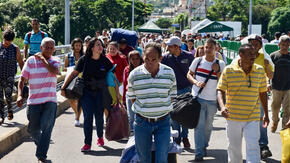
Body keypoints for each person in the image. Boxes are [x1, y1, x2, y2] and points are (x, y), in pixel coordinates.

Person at [217, 43, 270, 163]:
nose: (253, 56)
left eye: (254, 54)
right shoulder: (229, 70)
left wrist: (266, 114)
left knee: (253, 147)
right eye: (250, 54)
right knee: (234, 148)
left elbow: (263, 93)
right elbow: (220, 90)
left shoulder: (260, 70)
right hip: (233, 116)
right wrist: (222, 106)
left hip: (253, 116)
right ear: (240, 55)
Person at [127, 42, 177, 163]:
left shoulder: (169, 73)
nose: (149, 62)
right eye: (146, 59)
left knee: (162, 159)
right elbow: (133, 99)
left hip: (163, 122)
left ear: (160, 58)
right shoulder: (134, 75)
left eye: (153, 59)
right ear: (143, 56)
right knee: (144, 159)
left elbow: (172, 96)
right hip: (141, 122)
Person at [61, 37, 113, 152]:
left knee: (99, 117)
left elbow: (113, 75)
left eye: (101, 45)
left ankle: (100, 137)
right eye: (98, 45)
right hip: (86, 92)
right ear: (92, 47)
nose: (101, 47)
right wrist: (64, 87)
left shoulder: (105, 60)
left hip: (100, 92)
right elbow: (74, 73)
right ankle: (87, 143)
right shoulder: (84, 59)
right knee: (88, 117)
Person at [17, 37, 60, 163]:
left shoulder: (55, 60)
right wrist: (20, 95)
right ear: (41, 48)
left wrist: (43, 60)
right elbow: (22, 79)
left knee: (47, 126)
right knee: (32, 129)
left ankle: (41, 156)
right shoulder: (31, 61)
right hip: (34, 101)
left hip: (50, 100)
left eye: (52, 48)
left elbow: (54, 71)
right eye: (46, 47)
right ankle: (42, 144)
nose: (49, 50)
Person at [187, 38, 225, 161]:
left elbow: (223, 82)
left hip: (213, 100)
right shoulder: (197, 61)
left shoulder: (221, 64)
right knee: (199, 125)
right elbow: (189, 74)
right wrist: (196, 82)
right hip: (198, 98)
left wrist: (217, 70)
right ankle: (199, 152)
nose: (208, 50)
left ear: (216, 49)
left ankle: (204, 146)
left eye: (211, 47)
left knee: (208, 126)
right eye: (206, 47)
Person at [161, 36, 194, 148]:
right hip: (171, 91)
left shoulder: (189, 56)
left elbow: (193, 72)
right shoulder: (165, 58)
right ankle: (177, 138)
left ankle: (185, 137)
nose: (168, 47)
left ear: (176, 46)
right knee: (174, 116)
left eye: (170, 46)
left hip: (186, 89)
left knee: (185, 115)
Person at [247, 34, 274, 159]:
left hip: (260, 95)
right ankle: (251, 147)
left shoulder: (265, 57)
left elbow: (271, 76)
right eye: (251, 44)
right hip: (244, 96)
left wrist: (267, 66)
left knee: (261, 120)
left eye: (256, 44)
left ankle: (263, 146)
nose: (253, 46)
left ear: (260, 46)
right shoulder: (242, 56)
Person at [0, 29, 24, 125]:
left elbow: (20, 62)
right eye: (6, 40)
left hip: (9, 76)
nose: (7, 43)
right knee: (0, 97)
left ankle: (10, 110)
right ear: (3, 38)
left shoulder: (15, 48)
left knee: (8, 96)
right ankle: (2, 116)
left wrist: (24, 75)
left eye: (9, 41)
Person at [270, 35, 290, 132]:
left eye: (287, 45)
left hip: (288, 87)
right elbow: (268, 71)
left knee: (287, 109)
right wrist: (268, 82)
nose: (284, 46)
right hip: (276, 86)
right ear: (279, 44)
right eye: (283, 44)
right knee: (274, 107)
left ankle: (284, 128)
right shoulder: (273, 56)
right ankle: (275, 121)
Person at [63, 38, 84, 127]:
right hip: (71, 79)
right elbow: (64, 68)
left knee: (79, 100)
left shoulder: (84, 56)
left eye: (79, 45)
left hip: (81, 80)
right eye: (76, 45)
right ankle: (77, 113)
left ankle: (77, 118)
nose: (78, 47)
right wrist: (72, 68)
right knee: (71, 100)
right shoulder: (68, 56)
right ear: (73, 46)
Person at [122, 50, 143, 132]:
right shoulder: (127, 69)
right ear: (129, 60)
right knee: (131, 116)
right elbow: (124, 84)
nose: (135, 61)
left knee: (140, 116)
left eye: (137, 58)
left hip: (141, 95)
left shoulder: (144, 68)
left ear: (140, 59)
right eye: (132, 59)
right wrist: (123, 99)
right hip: (130, 95)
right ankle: (131, 134)